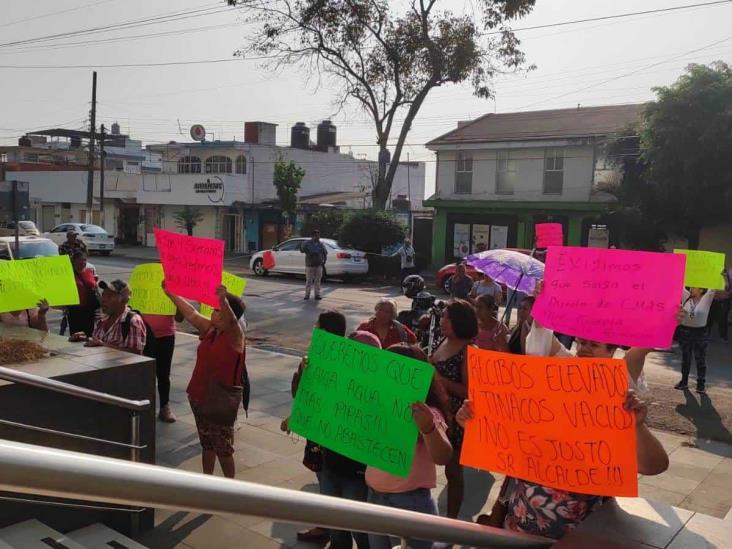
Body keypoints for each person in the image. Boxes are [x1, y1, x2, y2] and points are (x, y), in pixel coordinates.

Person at [457, 391, 667, 540]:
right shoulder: (547, 393)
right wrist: (473, 423)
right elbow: (508, 448)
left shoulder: (616, 408)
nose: (584, 348)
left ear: (611, 351)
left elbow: (655, 466)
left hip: (577, 539)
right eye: (581, 342)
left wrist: (638, 427)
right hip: (516, 530)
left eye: (594, 344)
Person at [367, 343, 453, 549]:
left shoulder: (426, 413)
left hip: (409, 503)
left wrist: (428, 428)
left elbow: (443, 456)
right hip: (373, 497)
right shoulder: (378, 405)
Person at [164, 284, 245, 478]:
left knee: (223, 449)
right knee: (207, 444)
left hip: (220, 402)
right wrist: (171, 293)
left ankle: (230, 487)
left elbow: (232, 322)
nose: (213, 313)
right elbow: (190, 313)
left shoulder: (235, 336)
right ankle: (206, 480)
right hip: (198, 396)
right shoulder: (211, 329)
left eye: (218, 311)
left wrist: (224, 300)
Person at [288, 309, 347, 545]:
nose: (314, 328)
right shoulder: (314, 357)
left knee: (332, 480)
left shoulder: (346, 359)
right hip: (320, 430)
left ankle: (332, 527)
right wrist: (302, 372)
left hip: (335, 433)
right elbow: (301, 395)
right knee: (324, 477)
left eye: (318, 325)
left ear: (325, 330)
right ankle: (326, 525)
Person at [317, 330, 380, 549]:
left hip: (357, 474)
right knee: (336, 526)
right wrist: (306, 373)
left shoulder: (380, 392)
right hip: (330, 465)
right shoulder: (336, 378)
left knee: (360, 530)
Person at [429, 299, 478, 519]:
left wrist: (440, 379)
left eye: (447, 318)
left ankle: (451, 520)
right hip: (436, 413)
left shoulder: (469, 350)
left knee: (453, 473)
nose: (442, 321)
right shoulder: (442, 341)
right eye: (442, 317)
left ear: (459, 321)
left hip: (455, 419)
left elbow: (470, 391)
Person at [69, 279, 146, 355]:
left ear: (124, 300)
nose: (103, 300)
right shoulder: (101, 321)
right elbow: (98, 343)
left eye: (109, 296)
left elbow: (136, 355)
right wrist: (84, 340)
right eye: (103, 295)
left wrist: (103, 346)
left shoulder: (133, 321)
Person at [143, 309, 184, 423]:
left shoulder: (172, 291)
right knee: (143, 374)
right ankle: (144, 408)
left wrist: (176, 302)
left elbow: (180, 318)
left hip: (166, 335)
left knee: (163, 374)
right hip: (141, 333)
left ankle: (164, 407)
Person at [676, 286, 716, 393]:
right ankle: (684, 382)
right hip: (685, 331)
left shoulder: (706, 298)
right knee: (686, 357)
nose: (691, 289)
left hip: (700, 333)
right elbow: (680, 283)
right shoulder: (686, 297)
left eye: (694, 288)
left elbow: (714, 286)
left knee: (700, 359)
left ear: (701, 290)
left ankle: (701, 384)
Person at [66, 250, 98, 337]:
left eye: (85, 260)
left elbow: (94, 286)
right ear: (74, 261)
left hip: (89, 309)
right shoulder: (69, 274)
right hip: (75, 310)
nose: (83, 262)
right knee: (76, 334)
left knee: (89, 333)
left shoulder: (89, 271)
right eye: (80, 260)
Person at [300, 229, 328, 301]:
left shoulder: (321, 244)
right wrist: (303, 245)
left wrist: (324, 261)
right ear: (312, 236)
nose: (318, 237)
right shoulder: (307, 243)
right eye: (316, 235)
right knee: (309, 281)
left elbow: (325, 253)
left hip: (318, 265)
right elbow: (302, 250)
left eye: (318, 235)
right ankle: (307, 295)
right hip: (309, 265)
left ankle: (317, 295)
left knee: (317, 281)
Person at [707, 267, 731, 342]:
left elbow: (727, 288)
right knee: (709, 317)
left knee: (722, 318)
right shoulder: (712, 277)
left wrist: (725, 278)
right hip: (714, 299)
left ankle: (723, 336)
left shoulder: (726, 277)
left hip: (723, 300)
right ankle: (706, 334)